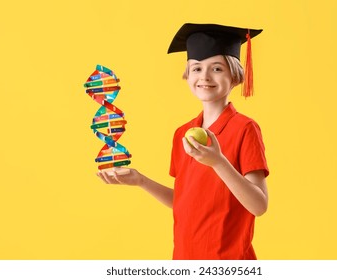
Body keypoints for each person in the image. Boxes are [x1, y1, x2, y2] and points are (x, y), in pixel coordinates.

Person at [97, 23, 269, 260]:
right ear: (188, 75)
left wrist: (217, 162)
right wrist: (140, 180)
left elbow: (259, 206)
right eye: (196, 68)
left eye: (217, 68)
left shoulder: (245, 129)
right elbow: (184, 202)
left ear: (236, 76)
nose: (205, 76)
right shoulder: (182, 134)